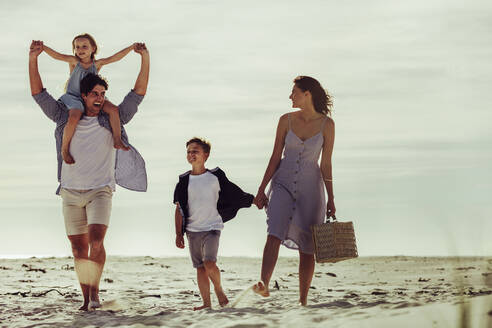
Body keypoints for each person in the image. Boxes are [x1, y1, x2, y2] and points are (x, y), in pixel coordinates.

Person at [28, 40, 150, 311]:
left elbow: (137, 94)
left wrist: (145, 59)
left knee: (96, 240)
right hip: (70, 192)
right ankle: (87, 299)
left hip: (100, 190)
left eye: (102, 93)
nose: (99, 98)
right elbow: (39, 93)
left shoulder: (110, 118)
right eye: (94, 93)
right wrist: (33, 58)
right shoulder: (64, 116)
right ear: (82, 96)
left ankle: (95, 293)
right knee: (77, 250)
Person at [252, 76, 336, 306]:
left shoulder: (327, 125)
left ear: (307, 94)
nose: (290, 96)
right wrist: (261, 189)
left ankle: (302, 300)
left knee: (308, 246)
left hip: (312, 188)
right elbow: (274, 157)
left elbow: (326, 164)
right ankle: (264, 284)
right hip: (283, 183)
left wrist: (331, 198)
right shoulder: (285, 120)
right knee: (274, 231)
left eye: (294, 92)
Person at [173, 137, 254, 310]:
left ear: (206, 155)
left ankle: (219, 290)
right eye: (188, 151)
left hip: (212, 228)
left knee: (209, 263)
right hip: (192, 231)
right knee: (200, 268)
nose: (191, 154)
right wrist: (178, 234)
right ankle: (206, 304)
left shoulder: (215, 176)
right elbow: (178, 209)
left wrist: (254, 200)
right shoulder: (183, 181)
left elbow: (235, 193)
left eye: (195, 151)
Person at [42, 34, 137, 164]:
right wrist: (42, 47)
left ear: (93, 48)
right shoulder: (74, 62)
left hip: (93, 97)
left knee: (113, 109)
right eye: (77, 47)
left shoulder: (96, 64)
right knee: (75, 115)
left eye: (84, 46)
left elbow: (115, 57)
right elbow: (57, 55)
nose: (80, 50)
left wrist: (132, 47)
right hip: (74, 97)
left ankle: (117, 139)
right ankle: (64, 149)